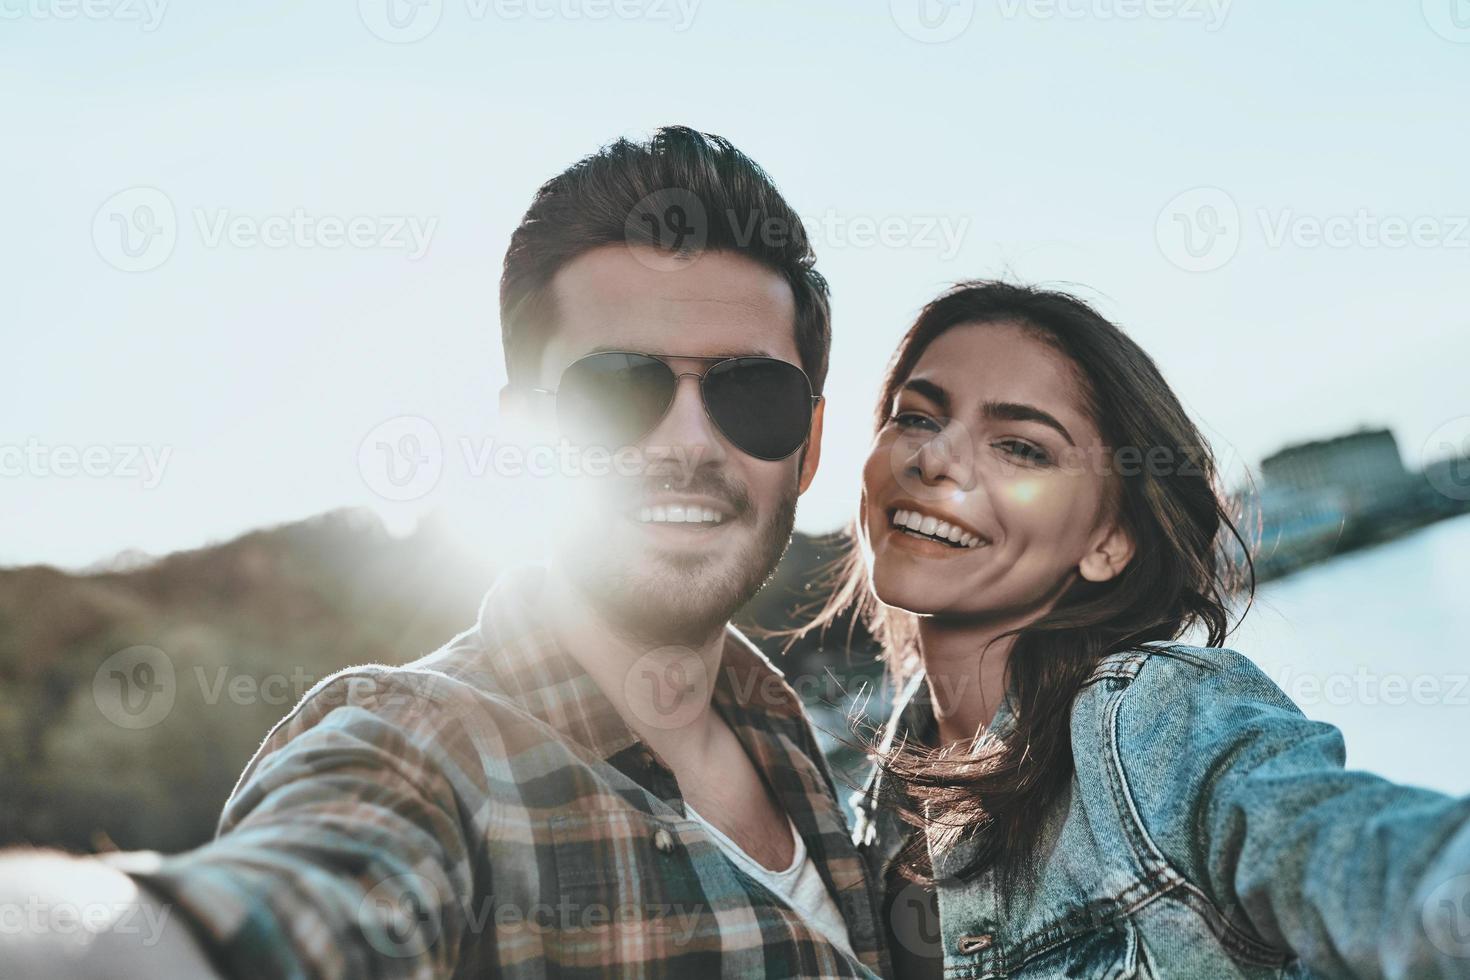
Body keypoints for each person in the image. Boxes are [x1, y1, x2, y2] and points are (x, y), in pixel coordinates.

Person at [0, 127, 891, 979]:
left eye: (754, 394)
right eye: (617, 389)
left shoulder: (791, 737)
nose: (689, 443)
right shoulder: (424, 757)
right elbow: (263, 911)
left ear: (810, 445)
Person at [810, 280, 1470, 978]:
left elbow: (1391, 866)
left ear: (1109, 540)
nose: (934, 458)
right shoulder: (876, 810)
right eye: (916, 417)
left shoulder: (1153, 723)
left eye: (1022, 447)